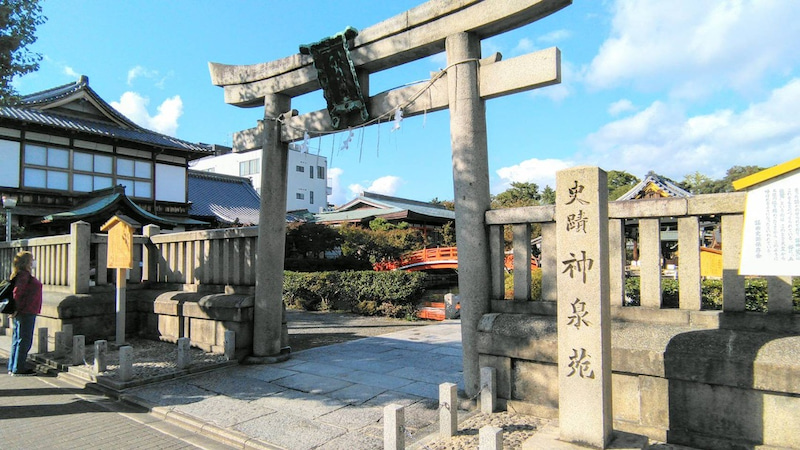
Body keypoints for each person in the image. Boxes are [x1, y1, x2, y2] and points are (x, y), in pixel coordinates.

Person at [6, 251, 42, 376]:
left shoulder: (20, 274)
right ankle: (19, 368)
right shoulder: (24, 275)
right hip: (26, 310)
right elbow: (17, 293)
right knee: (24, 340)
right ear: (27, 262)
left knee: (18, 339)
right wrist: (17, 308)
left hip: (24, 310)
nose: (33, 262)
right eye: (32, 260)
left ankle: (14, 366)